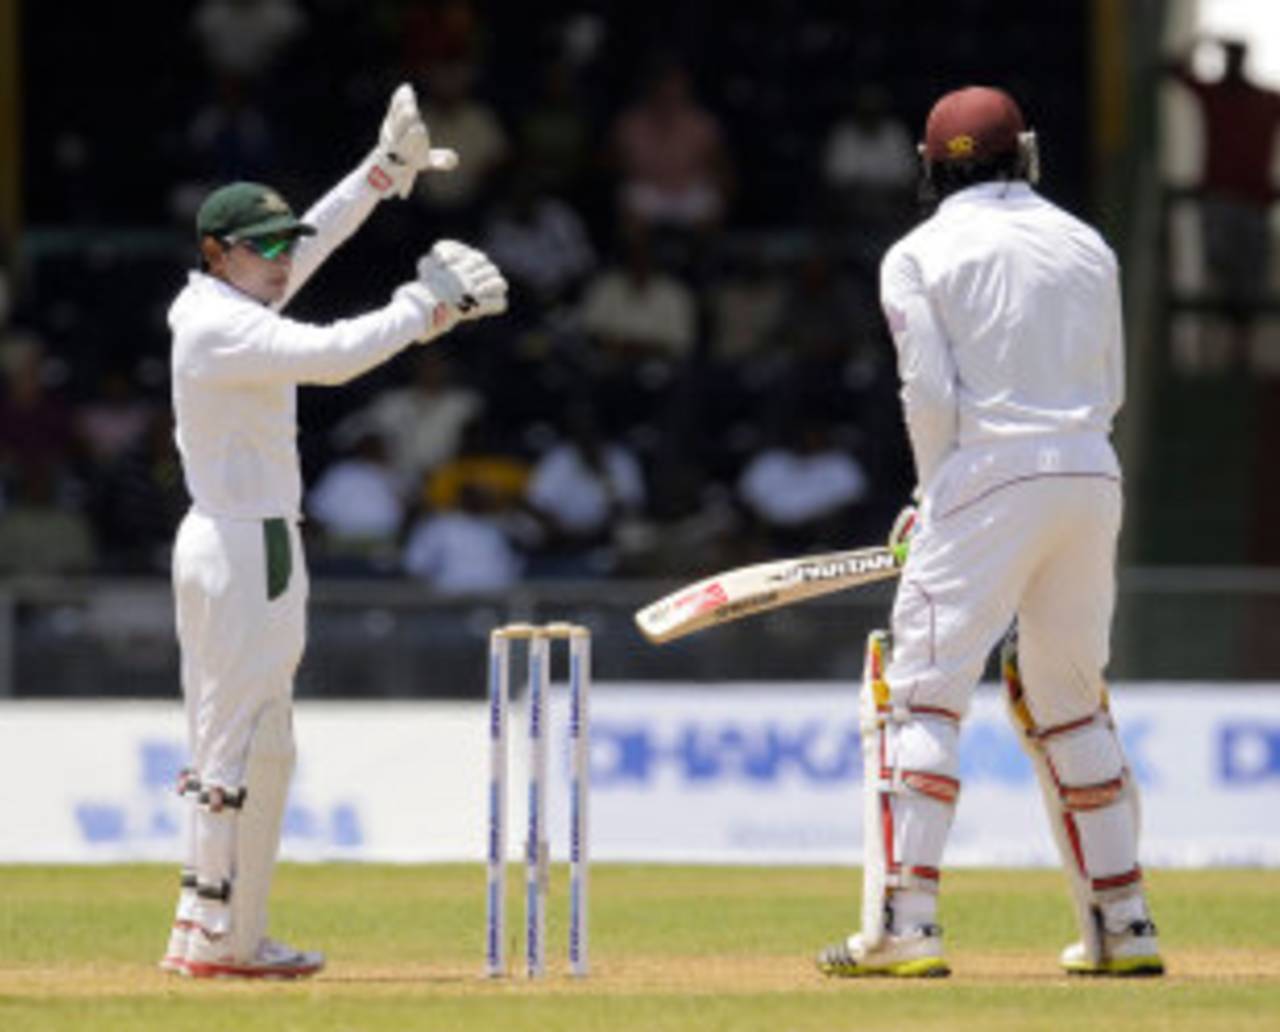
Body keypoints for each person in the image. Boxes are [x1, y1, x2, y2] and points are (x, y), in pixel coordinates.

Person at [160, 84, 507, 979]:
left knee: (230, 737)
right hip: (251, 545)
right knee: (247, 741)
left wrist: (381, 174)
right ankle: (226, 940)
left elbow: (316, 236)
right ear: (215, 252)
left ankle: (207, 926)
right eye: (262, 248)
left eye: (283, 247)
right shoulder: (220, 329)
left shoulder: (220, 308)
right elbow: (335, 356)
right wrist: (429, 307)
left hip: (223, 538)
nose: (282, 260)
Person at [817, 86, 1162, 979]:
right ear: (1029, 154)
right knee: (1070, 698)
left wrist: (937, 496)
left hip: (984, 474)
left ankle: (906, 924)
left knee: (920, 693)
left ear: (930, 168)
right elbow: (1113, 380)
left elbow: (927, 396)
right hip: (1091, 469)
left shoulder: (917, 253)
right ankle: (1124, 925)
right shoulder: (1089, 242)